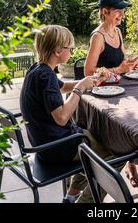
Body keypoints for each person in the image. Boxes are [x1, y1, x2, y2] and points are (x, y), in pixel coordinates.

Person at [20, 24, 112, 203]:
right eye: (70, 48)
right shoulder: (46, 77)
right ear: (57, 50)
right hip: (58, 147)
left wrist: (88, 81)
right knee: (113, 154)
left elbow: (61, 87)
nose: (72, 52)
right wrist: (79, 89)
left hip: (45, 144)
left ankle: (71, 196)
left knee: (95, 142)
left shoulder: (38, 70)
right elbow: (62, 118)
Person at [84, 0, 138, 187]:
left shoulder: (117, 32)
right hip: (103, 95)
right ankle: (121, 164)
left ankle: (130, 165)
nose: (122, 15)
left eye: (123, 11)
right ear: (105, 12)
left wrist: (130, 64)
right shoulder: (97, 37)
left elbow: (121, 61)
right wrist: (119, 70)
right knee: (124, 127)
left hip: (120, 88)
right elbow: (89, 71)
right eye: (118, 11)